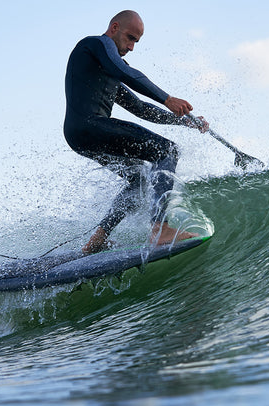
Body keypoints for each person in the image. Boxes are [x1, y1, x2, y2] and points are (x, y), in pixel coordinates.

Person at [64, 10, 209, 254]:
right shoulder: (94, 45)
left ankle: (97, 239)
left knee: (139, 180)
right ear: (114, 28)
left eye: (136, 42)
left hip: (80, 135)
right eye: (130, 38)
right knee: (167, 150)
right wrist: (167, 98)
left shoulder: (106, 69)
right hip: (89, 125)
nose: (131, 46)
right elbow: (123, 71)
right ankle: (160, 230)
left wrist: (186, 122)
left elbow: (140, 109)